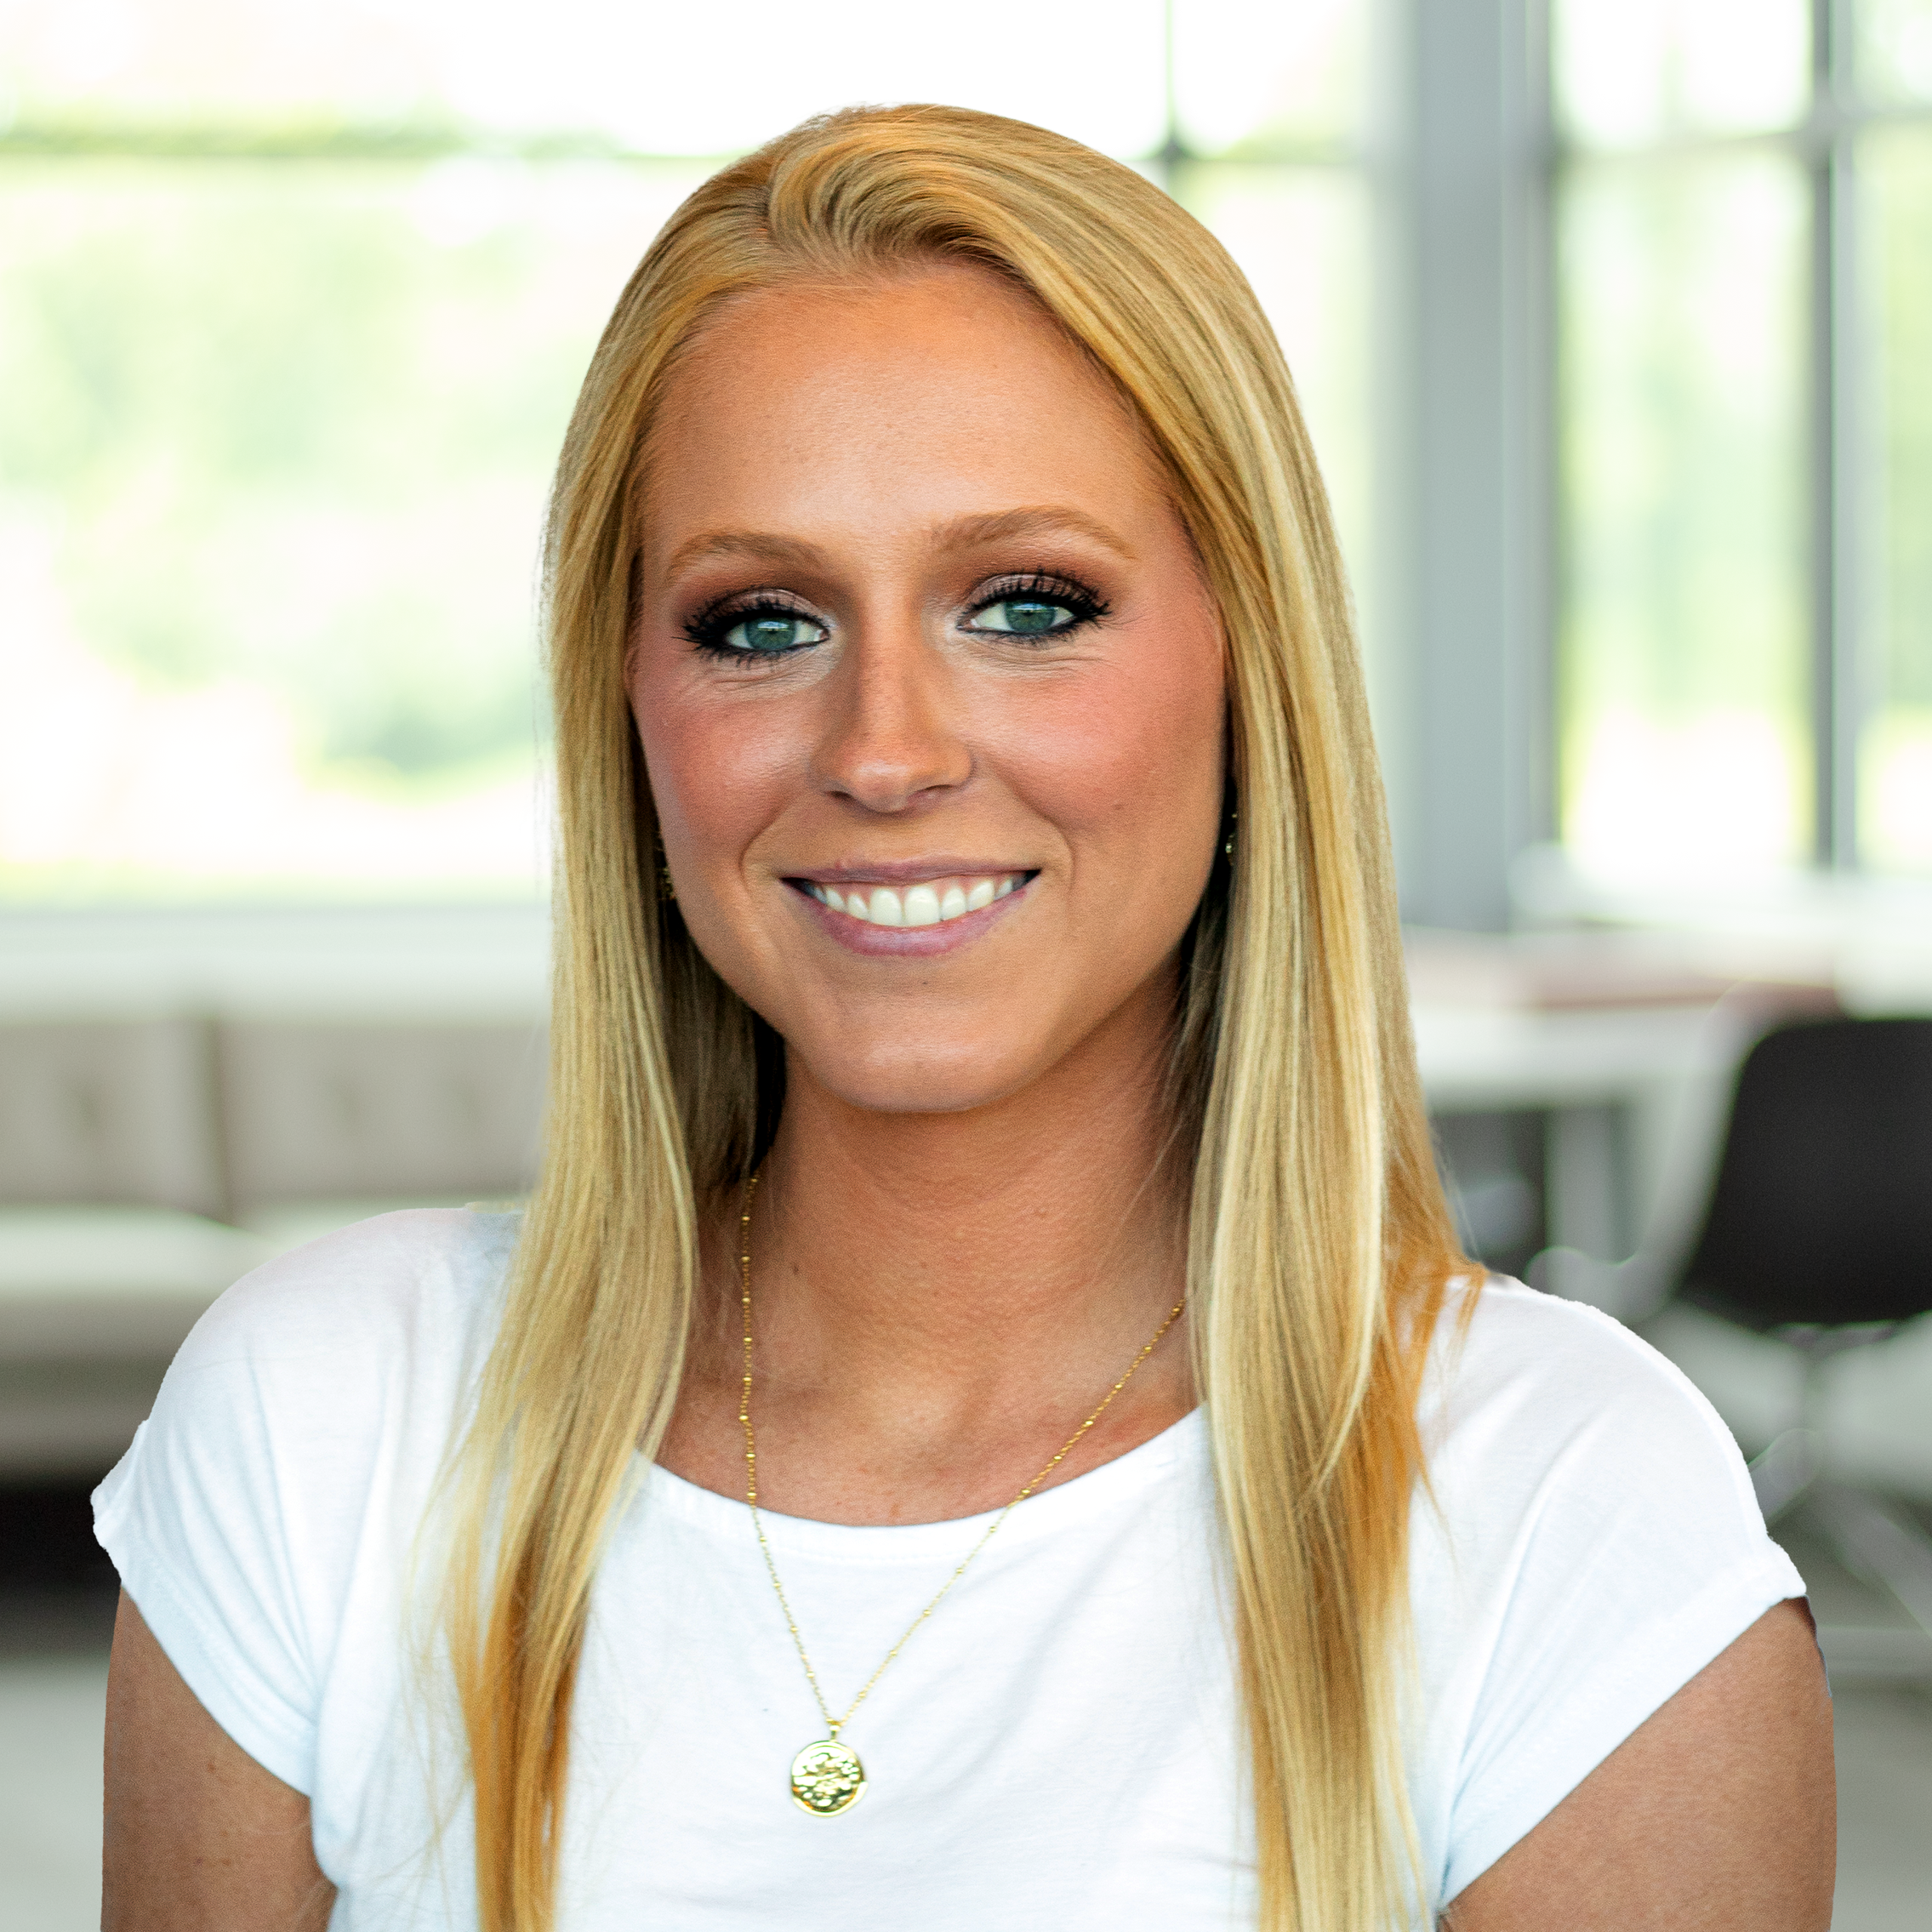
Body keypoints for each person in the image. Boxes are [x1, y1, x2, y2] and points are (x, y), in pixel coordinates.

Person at [96, 105, 1832, 1931]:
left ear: (1250, 669)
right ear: (625, 710)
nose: (885, 750)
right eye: (761, 623)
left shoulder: (1566, 1510)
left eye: (1026, 603)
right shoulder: (325, 1426)